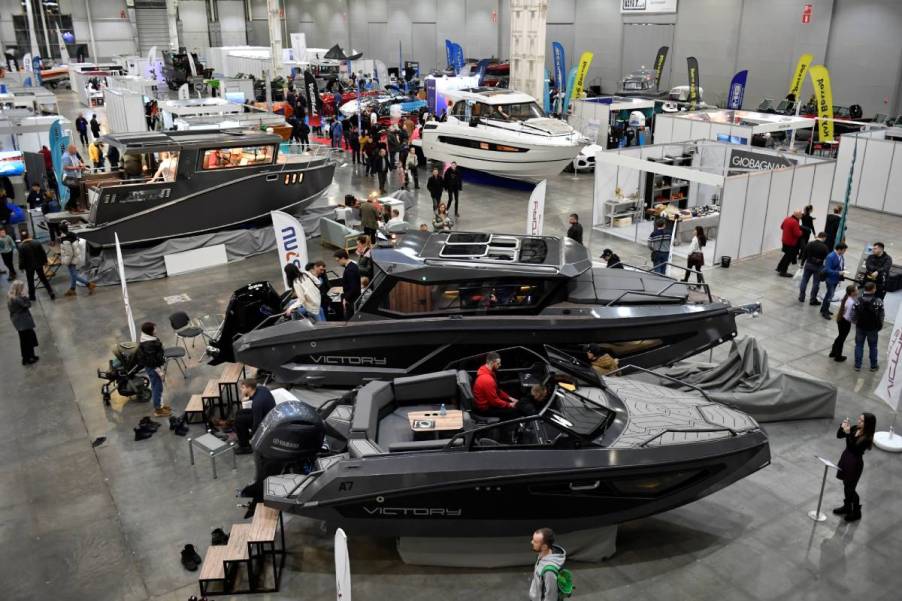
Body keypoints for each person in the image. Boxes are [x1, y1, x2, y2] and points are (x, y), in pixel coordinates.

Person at [833, 413, 876, 522]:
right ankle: (847, 506)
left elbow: (853, 448)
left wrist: (848, 434)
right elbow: (839, 436)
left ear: (868, 424)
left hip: (855, 462)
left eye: (862, 421)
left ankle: (856, 511)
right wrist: (842, 427)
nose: (859, 422)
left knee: (850, 488)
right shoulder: (855, 428)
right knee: (846, 484)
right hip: (846, 458)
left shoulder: (867, 437)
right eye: (859, 419)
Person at [472, 351, 523, 420]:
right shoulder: (487, 379)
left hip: (490, 402)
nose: (500, 365)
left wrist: (510, 398)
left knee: (514, 397)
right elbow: (494, 401)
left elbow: (497, 390)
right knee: (515, 412)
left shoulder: (488, 371)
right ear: (491, 363)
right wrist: (509, 404)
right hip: (485, 409)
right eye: (498, 363)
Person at [234, 379, 277, 454]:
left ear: (250, 388)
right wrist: (248, 398)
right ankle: (244, 437)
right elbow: (254, 399)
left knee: (240, 420)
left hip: (267, 421)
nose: (241, 389)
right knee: (239, 413)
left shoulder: (257, 403)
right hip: (269, 413)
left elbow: (257, 423)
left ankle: (245, 447)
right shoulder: (262, 389)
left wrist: (254, 436)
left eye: (243, 387)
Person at [137, 322, 170, 417]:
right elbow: (151, 361)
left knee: (158, 387)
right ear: (150, 331)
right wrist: (159, 371)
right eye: (154, 329)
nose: (156, 330)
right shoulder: (149, 345)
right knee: (157, 388)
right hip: (154, 368)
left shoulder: (148, 339)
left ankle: (160, 405)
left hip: (154, 366)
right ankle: (158, 410)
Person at [852, 281, 884, 372]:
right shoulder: (878, 301)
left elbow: (853, 315)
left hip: (860, 327)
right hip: (873, 328)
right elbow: (882, 314)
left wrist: (856, 322)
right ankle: (873, 366)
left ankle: (857, 365)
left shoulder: (858, 300)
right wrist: (880, 325)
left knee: (859, 345)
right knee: (873, 347)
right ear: (873, 289)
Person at [529, 527, 567, 601]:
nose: (531, 542)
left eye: (535, 541)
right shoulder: (543, 553)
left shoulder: (549, 572)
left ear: (544, 547)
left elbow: (551, 597)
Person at [17, 231, 54, 301]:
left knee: (30, 281)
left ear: (21, 238)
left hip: (29, 267)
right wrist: (45, 262)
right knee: (43, 279)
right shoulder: (36, 242)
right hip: (39, 265)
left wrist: (21, 267)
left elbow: (21, 258)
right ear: (29, 235)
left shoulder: (21, 246)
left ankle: (32, 297)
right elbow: (43, 253)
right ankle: (50, 292)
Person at [8, 280, 38, 365]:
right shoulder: (17, 299)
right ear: (19, 289)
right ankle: (27, 358)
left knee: (28, 338)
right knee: (26, 340)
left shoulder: (13, 297)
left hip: (21, 322)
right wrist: (26, 297)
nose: (25, 289)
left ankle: (31, 355)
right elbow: (27, 305)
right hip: (22, 322)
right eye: (23, 288)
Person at [59, 229, 95, 296]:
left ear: (61, 231)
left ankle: (89, 284)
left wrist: (66, 261)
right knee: (73, 274)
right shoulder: (72, 236)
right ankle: (72, 289)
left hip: (70, 260)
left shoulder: (65, 240)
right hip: (75, 258)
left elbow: (69, 253)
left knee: (74, 275)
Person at [798, 232, 829, 305]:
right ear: (823, 237)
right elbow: (826, 259)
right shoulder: (825, 247)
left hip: (808, 264)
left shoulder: (810, 243)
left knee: (804, 280)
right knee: (816, 283)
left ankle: (802, 297)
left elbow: (804, 254)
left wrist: (802, 264)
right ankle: (812, 299)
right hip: (818, 267)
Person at [829, 284, 858, 363]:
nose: (857, 291)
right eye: (856, 290)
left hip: (841, 320)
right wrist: (853, 321)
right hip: (845, 322)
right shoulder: (851, 302)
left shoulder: (847, 298)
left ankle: (833, 352)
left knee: (840, 337)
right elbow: (848, 315)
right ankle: (838, 356)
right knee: (842, 338)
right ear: (852, 293)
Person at [820, 242, 847, 319]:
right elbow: (827, 269)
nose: (844, 252)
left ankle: (824, 309)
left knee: (830, 295)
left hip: (836, 279)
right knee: (829, 295)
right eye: (844, 250)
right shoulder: (830, 256)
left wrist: (842, 269)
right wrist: (838, 272)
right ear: (840, 250)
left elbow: (840, 264)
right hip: (830, 279)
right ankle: (824, 311)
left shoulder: (840, 256)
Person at [334, 249, 361, 319]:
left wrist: (345, 299)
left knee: (349, 320)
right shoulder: (353, 266)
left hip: (352, 300)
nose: (338, 263)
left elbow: (353, 287)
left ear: (343, 258)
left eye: (338, 260)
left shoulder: (350, 270)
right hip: (353, 298)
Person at [776, 210, 803, 277]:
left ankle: (779, 268)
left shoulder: (787, 219)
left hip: (784, 240)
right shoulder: (795, 222)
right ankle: (783, 272)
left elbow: (782, 227)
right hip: (791, 242)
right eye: (800, 214)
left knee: (786, 255)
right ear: (797, 215)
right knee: (788, 257)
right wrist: (801, 232)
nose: (801, 216)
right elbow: (797, 234)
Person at [61, 144, 85, 212]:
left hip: (74, 176)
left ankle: (72, 207)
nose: (76, 150)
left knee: (74, 192)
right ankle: (69, 206)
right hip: (68, 177)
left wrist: (81, 165)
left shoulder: (73, 154)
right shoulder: (65, 157)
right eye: (74, 149)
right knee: (76, 191)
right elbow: (65, 167)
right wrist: (76, 168)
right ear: (70, 149)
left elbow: (78, 161)